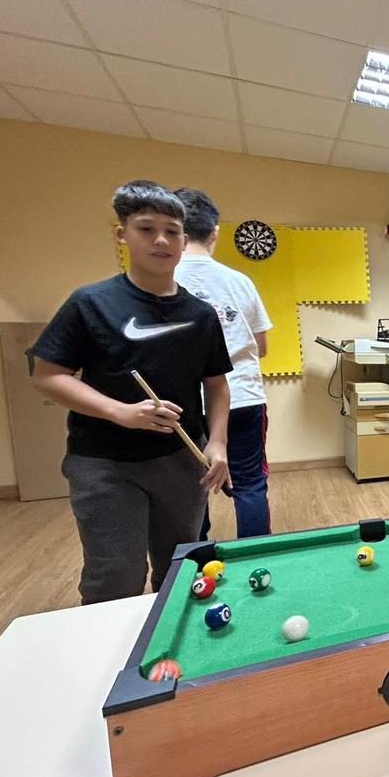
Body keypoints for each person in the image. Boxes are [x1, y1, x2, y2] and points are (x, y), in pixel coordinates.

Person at [30, 180, 232, 604]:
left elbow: (216, 384)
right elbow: (47, 374)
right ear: (122, 234)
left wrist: (216, 443)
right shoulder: (90, 302)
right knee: (116, 576)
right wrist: (118, 411)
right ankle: (112, 666)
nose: (161, 240)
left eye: (172, 231)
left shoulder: (200, 314)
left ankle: (169, 656)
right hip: (104, 463)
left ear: (184, 238)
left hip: (181, 461)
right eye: (146, 228)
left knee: (180, 568)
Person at [172, 187, 273, 539]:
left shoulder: (163, 280)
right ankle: (255, 557)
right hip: (243, 396)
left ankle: (194, 563)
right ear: (215, 231)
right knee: (250, 485)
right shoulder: (239, 281)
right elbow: (261, 347)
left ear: (175, 230)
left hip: (184, 404)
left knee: (191, 488)